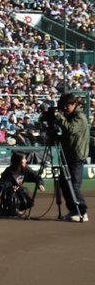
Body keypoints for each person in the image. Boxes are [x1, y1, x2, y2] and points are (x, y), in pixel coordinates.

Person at [51, 92, 89, 222]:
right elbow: (68, 136)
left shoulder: (79, 117)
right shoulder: (70, 116)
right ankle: (73, 210)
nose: (65, 109)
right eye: (63, 106)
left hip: (77, 156)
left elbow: (70, 129)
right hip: (68, 155)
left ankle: (82, 211)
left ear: (74, 104)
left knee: (73, 184)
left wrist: (58, 116)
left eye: (67, 106)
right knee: (64, 182)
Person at [0, 152, 43, 217]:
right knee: (14, 196)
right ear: (18, 161)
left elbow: (36, 177)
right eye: (24, 159)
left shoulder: (26, 169)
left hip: (17, 189)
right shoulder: (9, 171)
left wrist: (40, 184)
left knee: (29, 201)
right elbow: (3, 183)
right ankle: (9, 210)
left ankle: (14, 209)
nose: (26, 160)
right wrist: (11, 187)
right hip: (4, 190)